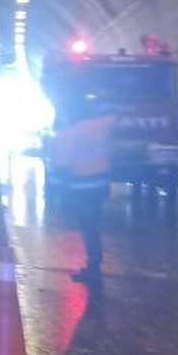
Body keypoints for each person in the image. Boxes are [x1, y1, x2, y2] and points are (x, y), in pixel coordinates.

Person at [53, 105, 118, 284]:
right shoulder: (100, 126)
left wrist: (61, 195)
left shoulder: (67, 135)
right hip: (101, 186)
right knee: (94, 227)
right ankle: (95, 264)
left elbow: (62, 168)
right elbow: (114, 118)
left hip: (82, 188)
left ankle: (93, 267)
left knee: (88, 228)